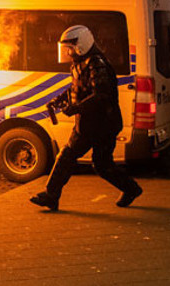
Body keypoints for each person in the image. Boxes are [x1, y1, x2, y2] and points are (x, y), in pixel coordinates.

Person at [30, 25, 143, 211]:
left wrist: (77, 108)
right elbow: (79, 88)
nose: (67, 52)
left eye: (70, 47)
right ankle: (52, 195)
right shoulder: (80, 62)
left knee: (94, 163)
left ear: (81, 44)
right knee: (81, 160)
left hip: (102, 124)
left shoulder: (96, 63)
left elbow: (101, 94)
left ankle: (131, 189)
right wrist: (59, 100)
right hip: (89, 123)